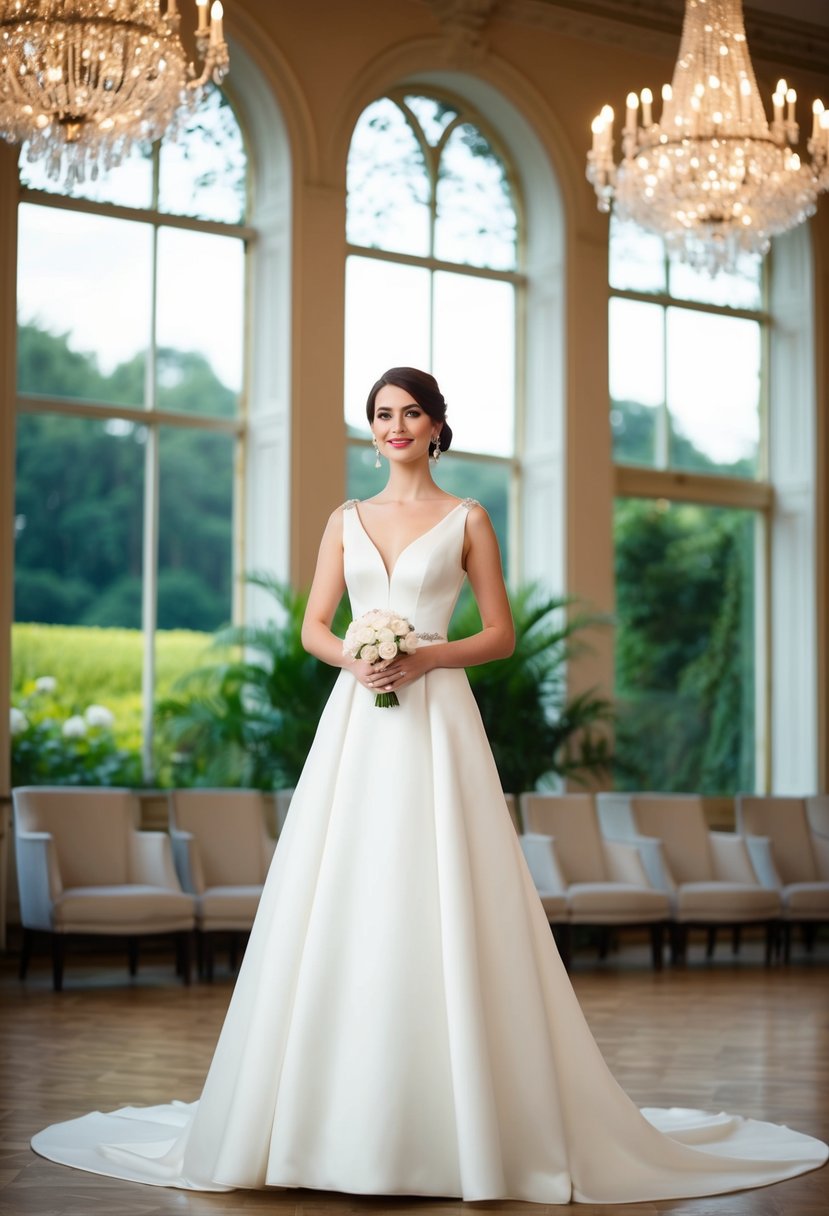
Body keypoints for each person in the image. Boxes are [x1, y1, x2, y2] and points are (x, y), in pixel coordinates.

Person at [31, 367, 827, 1203]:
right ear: (370, 428)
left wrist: (420, 655)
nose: (394, 426)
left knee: (442, 880)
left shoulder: (466, 517)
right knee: (345, 883)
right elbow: (311, 625)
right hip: (357, 718)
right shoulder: (345, 519)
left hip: (438, 715)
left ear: (437, 425)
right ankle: (317, 1116)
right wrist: (359, 657)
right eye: (381, 414)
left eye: (410, 413)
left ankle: (464, 1116)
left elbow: (500, 634)